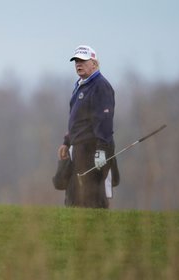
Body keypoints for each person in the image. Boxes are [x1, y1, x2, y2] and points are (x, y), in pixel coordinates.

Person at [57, 45, 119, 208]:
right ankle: (74, 230)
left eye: (83, 61)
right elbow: (76, 120)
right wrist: (66, 142)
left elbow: (104, 121)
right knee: (73, 195)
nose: (79, 64)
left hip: (94, 149)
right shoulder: (81, 85)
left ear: (94, 63)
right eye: (76, 61)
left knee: (93, 196)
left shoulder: (101, 86)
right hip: (78, 148)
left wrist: (102, 150)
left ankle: (98, 231)